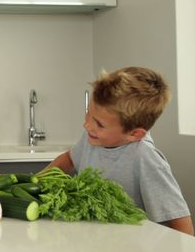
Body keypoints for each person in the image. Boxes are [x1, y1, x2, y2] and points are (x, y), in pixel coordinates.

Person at [46, 67, 193, 235]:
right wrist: (37, 181)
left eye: (99, 124)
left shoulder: (146, 158)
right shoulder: (93, 137)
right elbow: (69, 158)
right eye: (88, 113)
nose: (87, 125)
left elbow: (181, 221)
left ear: (134, 134)